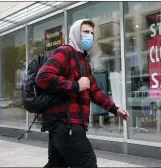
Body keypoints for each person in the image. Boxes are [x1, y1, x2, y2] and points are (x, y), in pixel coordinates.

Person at [35, 19, 129, 168]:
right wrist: (75, 86)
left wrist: (115, 109)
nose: (89, 36)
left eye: (92, 33)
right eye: (85, 32)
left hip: (64, 123)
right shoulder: (65, 52)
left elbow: (94, 91)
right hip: (66, 123)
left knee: (57, 164)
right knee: (88, 163)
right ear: (75, 34)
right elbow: (43, 77)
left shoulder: (83, 62)